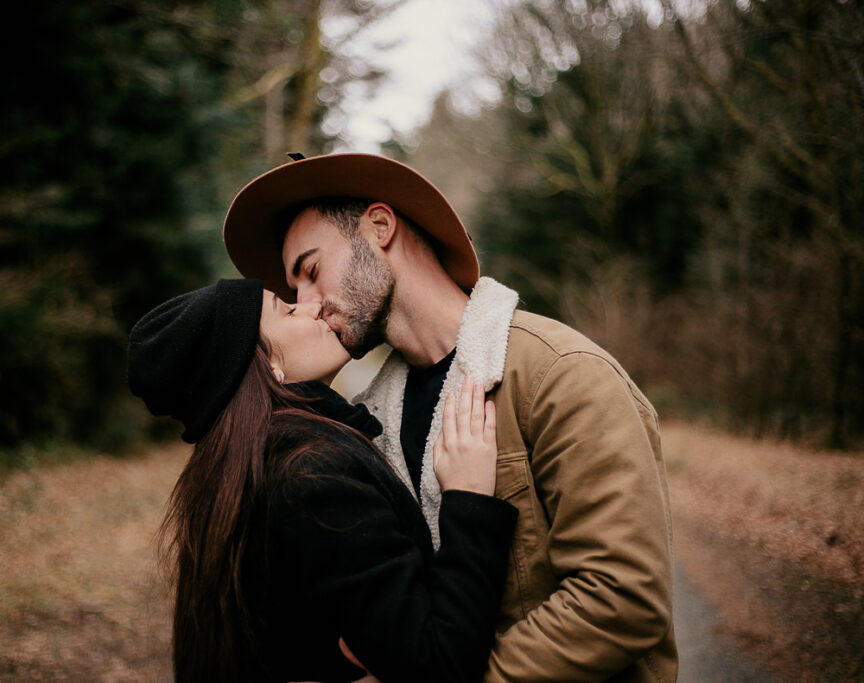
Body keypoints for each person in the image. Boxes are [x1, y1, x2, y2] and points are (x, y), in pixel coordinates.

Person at [222, 153, 679, 682]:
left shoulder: (559, 375)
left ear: (379, 226)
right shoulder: (363, 424)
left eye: (311, 270)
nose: (305, 304)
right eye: (292, 290)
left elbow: (623, 599)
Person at [126, 277, 518, 683]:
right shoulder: (310, 477)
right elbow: (439, 662)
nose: (311, 305)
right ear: (268, 366)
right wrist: (468, 498)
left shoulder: (250, 470)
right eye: (287, 310)